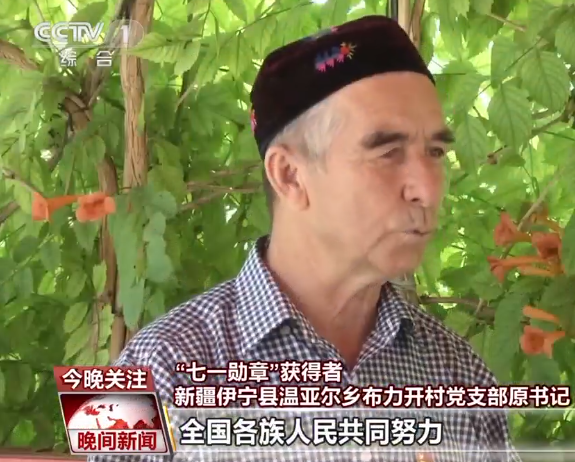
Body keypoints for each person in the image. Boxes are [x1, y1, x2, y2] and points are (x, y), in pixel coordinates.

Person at [89, 15, 518, 462]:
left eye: (436, 152)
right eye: (389, 153)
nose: (427, 190)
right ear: (290, 175)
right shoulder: (154, 368)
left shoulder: (461, 375)